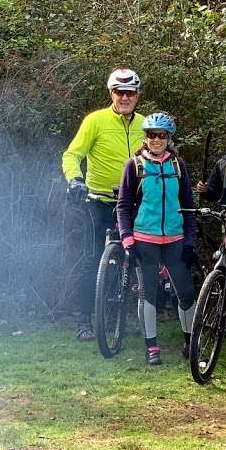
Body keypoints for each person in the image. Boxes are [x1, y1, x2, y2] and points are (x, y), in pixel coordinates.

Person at [62, 67, 146, 341]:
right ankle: (85, 321)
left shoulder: (145, 125)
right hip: (99, 202)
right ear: (111, 93)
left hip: (133, 205)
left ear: (137, 95)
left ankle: (116, 316)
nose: (124, 97)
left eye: (130, 93)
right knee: (93, 260)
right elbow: (72, 154)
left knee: (131, 260)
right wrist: (75, 179)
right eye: (119, 92)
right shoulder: (95, 121)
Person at [115, 112, 197, 366]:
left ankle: (189, 341)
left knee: (185, 293)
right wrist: (127, 238)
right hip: (144, 239)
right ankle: (152, 346)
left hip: (174, 238)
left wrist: (190, 241)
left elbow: (188, 204)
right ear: (146, 137)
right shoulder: (135, 165)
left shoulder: (177, 165)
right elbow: (123, 205)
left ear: (168, 138)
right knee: (148, 294)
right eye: (152, 135)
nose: (156, 140)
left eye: (162, 135)